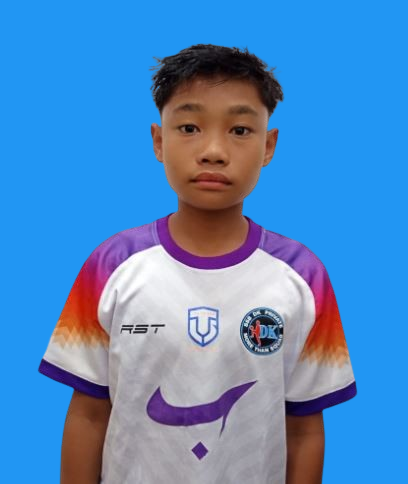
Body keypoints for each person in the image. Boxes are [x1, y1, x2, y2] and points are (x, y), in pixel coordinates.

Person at [39, 44, 357, 484]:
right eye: (189, 127)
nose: (213, 151)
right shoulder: (111, 266)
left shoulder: (302, 276)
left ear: (268, 146)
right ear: (158, 141)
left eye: (240, 130)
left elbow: (303, 429)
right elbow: (89, 414)